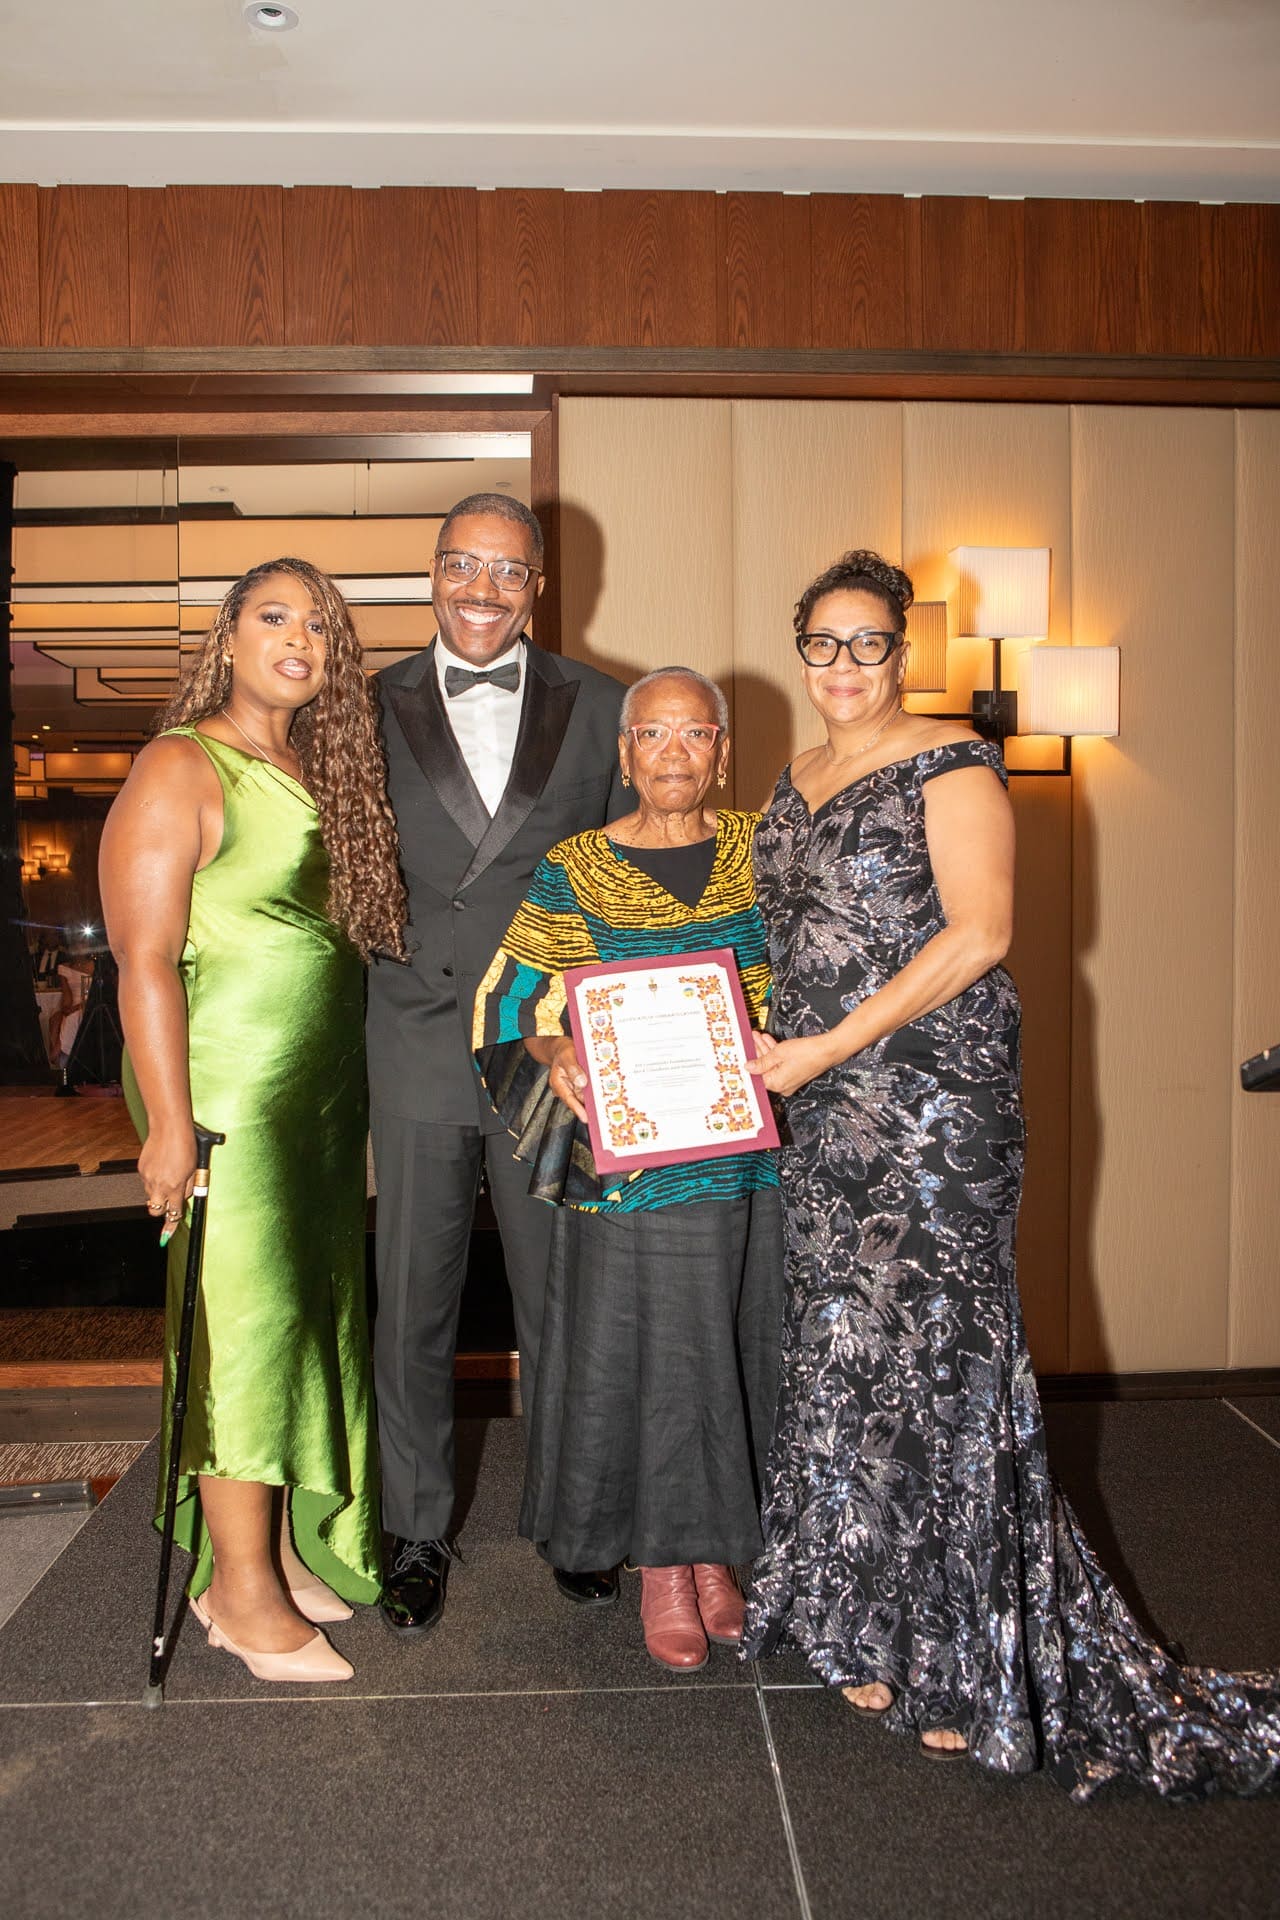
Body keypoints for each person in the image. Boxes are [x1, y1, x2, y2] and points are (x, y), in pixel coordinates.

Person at [742, 549, 1280, 1799]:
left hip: (932, 1101)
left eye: (865, 642)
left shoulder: (952, 760)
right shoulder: (792, 776)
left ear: (901, 650)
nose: (840, 665)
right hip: (817, 1109)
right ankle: (856, 1619)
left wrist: (821, 1047)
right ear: (799, 647)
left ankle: (960, 1660)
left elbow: (980, 933)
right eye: (819, 642)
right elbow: (787, 936)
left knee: (941, 1355)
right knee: (843, 1346)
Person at [100, 557, 406, 1685]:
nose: (298, 639)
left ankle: (266, 1551)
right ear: (227, 636)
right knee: (246, 1327)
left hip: (309, 1100)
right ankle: (236, 1593)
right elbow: (142, 960)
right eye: (274, 616)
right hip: (226, 1091)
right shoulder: (181, 762)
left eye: (319, 626)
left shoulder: (314, 766)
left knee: (297, 1322)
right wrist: (169, 1125)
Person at [474, 667, 784, 1670]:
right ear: (623, 754)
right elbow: (507, 1004)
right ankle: (661, 1565)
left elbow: (823, 979)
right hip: (632, 1170)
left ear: (721, 753)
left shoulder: (765, 851)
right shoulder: (575, 868)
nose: (672, 753)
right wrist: (554, 1051)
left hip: (746, 1161)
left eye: (694, 734)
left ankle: (716, 1555)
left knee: (730, 1350)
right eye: (652, 734)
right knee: (650, 1359)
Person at [368, 492, 628, 1636]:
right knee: (411, 1303)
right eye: (461, 565)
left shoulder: (603, 705)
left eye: (506, 570)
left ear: (538, 586)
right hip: (411, 1033)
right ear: (431, 573)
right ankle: (416, 1527)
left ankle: (577, 1520)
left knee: (560, 1298)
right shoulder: (362, 704)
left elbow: (631, 882)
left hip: (547, 1044)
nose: (481, 589)